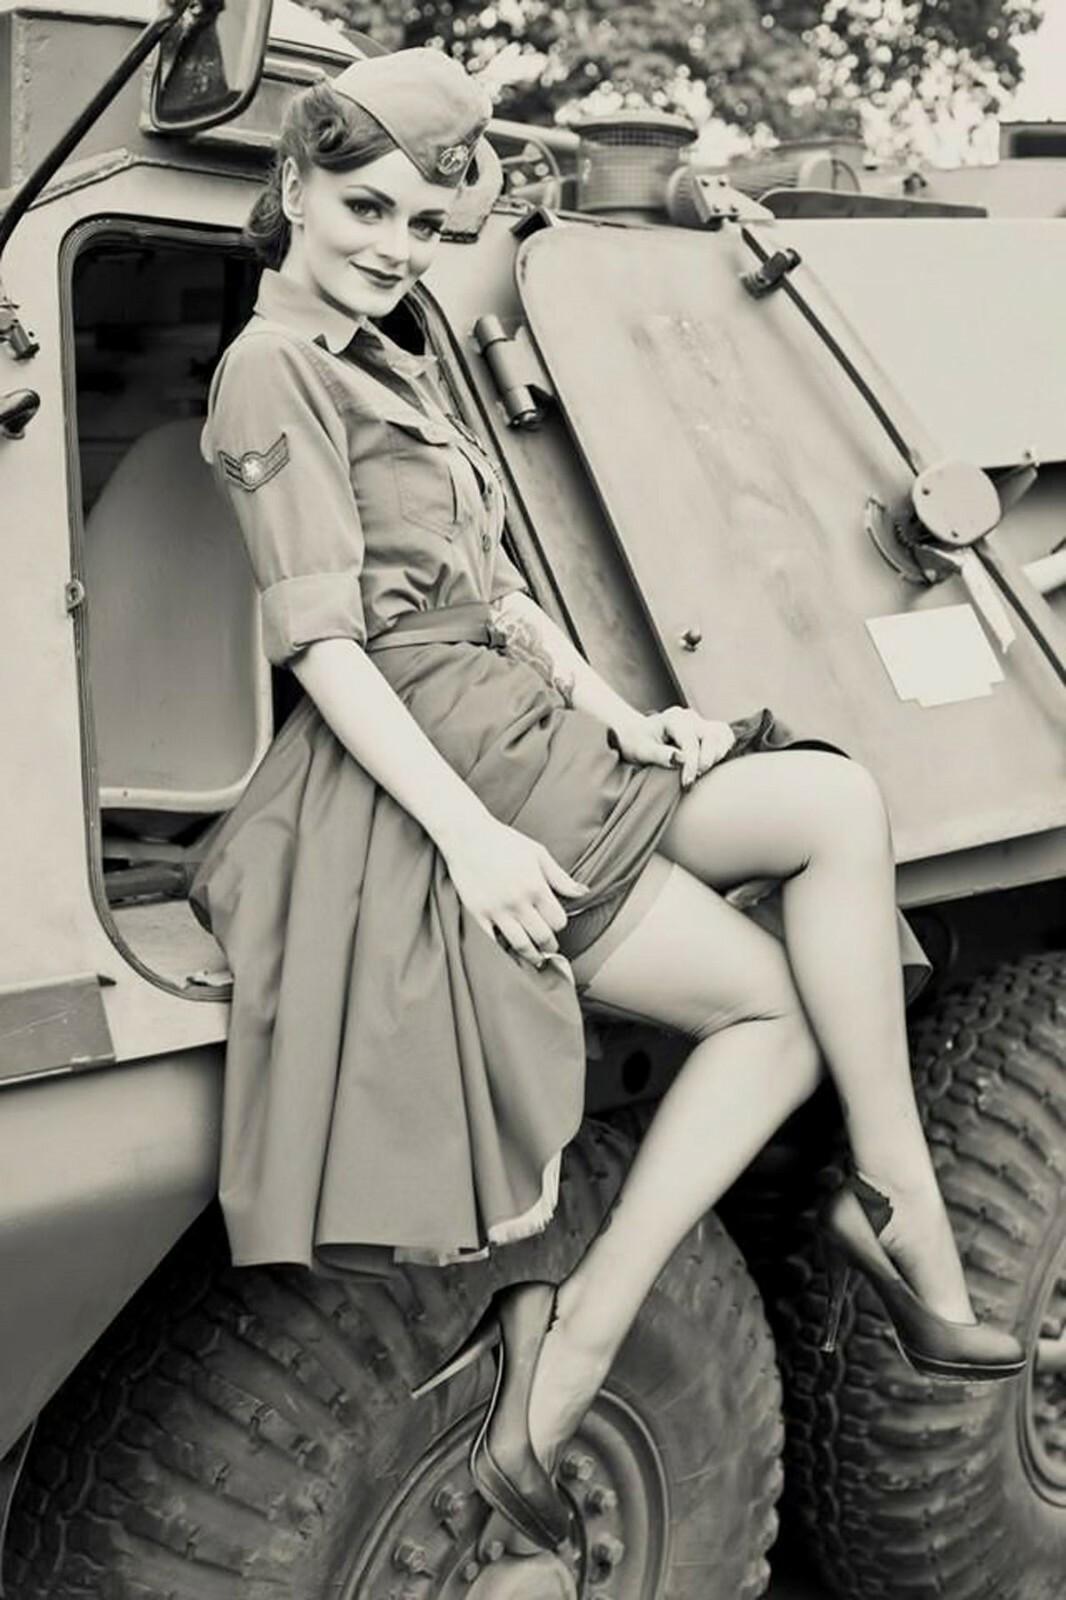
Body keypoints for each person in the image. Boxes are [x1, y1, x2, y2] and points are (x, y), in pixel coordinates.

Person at [191, 45, 1025, 1566]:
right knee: (775, 1010)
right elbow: (322, 642)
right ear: (295, 188)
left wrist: (627, 716)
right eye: (368, 207)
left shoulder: (378, 353)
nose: (395, 245)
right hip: (449, 755)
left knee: (833, 805)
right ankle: (583, 1332)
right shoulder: (273, 367)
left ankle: (887, 1194)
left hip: (523, 725)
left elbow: (502, 597)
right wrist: (469, 837)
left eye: (425, 224)